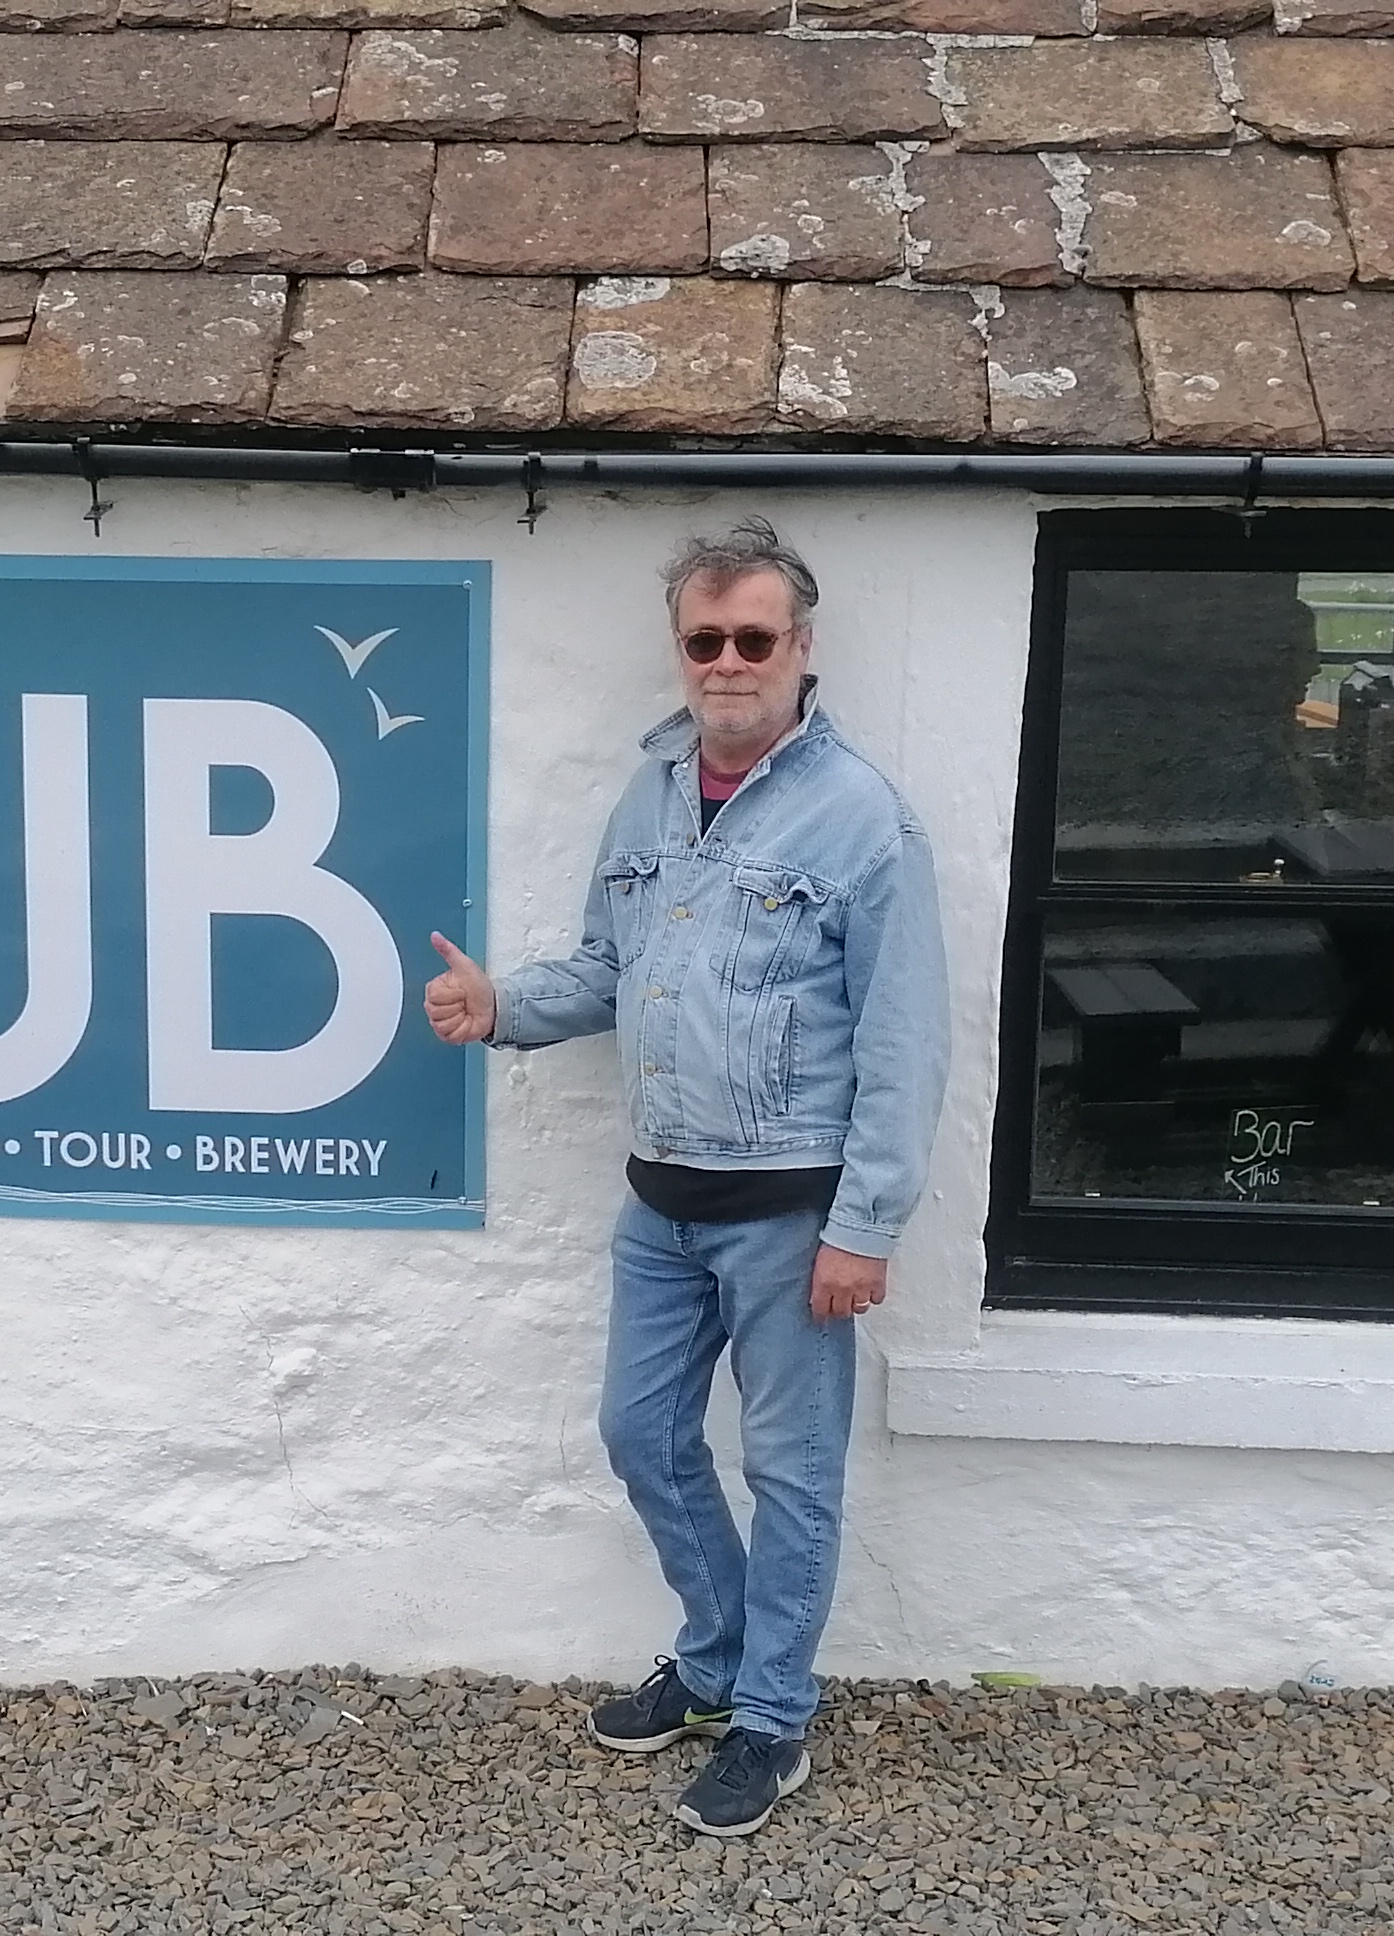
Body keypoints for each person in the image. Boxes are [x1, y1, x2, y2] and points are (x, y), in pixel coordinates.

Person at [422, 518, 948, 1838]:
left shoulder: (863, 819)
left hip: (789, 1217)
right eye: (704, 639)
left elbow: (905, 1040)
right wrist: (503, 1007)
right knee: (641, 1436)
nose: (726, 662)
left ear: (800, 648)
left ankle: (772, 1716)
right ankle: (715, 1660)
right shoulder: (652, 792)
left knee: (792, 1472)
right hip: (660, 1204)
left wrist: (865, 1226)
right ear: (681, 648)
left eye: (752, 639)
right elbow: (610, 967)